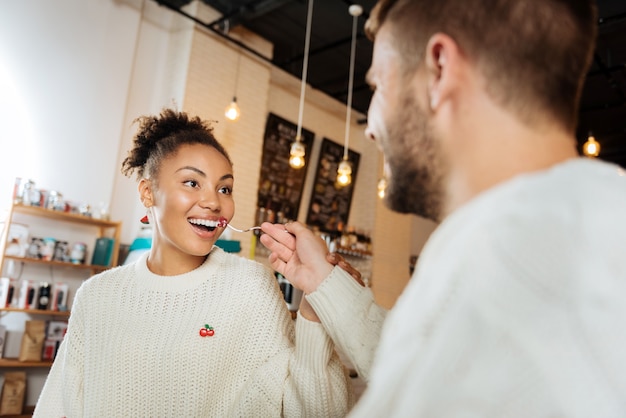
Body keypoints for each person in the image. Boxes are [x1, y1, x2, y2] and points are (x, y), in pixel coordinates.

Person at [260, 0, 626, 416]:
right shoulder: (586, 228)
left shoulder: (498, 254)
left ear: (439, 69)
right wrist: (323, 279)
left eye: (378, 86)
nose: (371, 125)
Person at [33, 108, 352, 417]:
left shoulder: (251, 285)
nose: (214, 202)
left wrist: (314, 311)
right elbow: (56, 407)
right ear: (148, 192)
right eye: (191, 182)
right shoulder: (96, 296)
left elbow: (314, 410)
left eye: (224, 188)